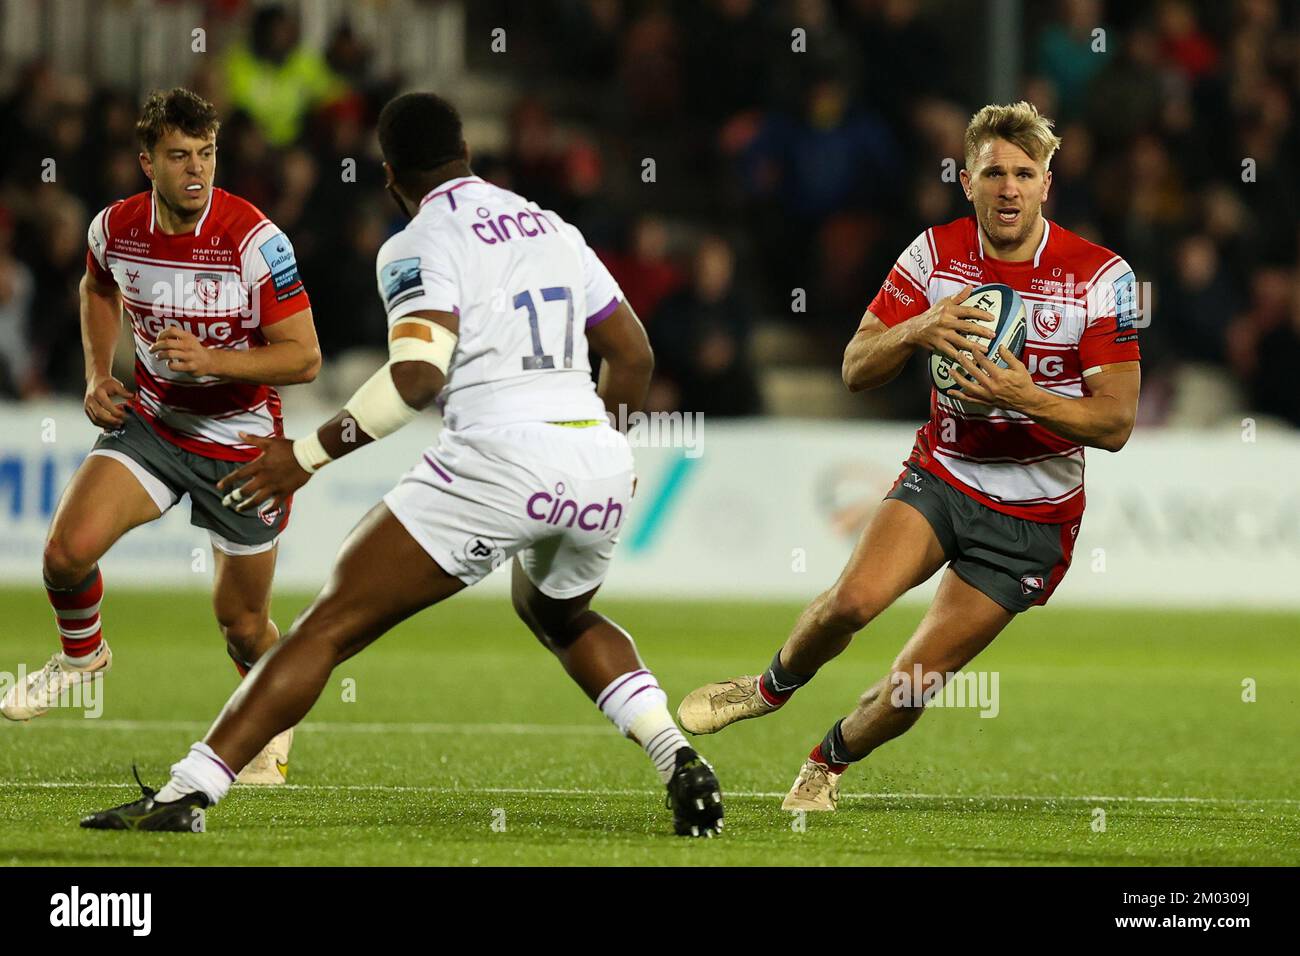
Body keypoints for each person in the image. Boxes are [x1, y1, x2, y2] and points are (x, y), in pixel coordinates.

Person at [81, 92, 724, 837]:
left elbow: (416, 378)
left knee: (324, 629)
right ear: (467, 155)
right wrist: (598, 444)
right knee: (558, 613)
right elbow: (634, 354)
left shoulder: (418, 240)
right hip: (597, 464)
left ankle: (185, 794)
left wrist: (308, 455)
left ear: (390, 176)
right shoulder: (553, 227)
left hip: (497, 461)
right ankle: (676, 754)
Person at [678, 101, 1141, 811]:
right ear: (966, 179)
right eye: (993, 173)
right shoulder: (935, 255)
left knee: (912, 684)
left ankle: (825, 761)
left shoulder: (1099, 278)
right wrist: (918, 328)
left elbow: (1115, 424)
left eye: (1024, 173)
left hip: (1033, 520)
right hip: (944, 476)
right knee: (850, 602)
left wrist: (1024, 395)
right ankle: (767, 688)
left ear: (1048, 183)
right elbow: (856, 366)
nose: (1008, 188)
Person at [1, 89, 320, 785]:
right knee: (64, 553)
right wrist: (95, 374)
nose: (197, 170)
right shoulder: (114, 230)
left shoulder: (256, 240)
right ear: (147, 162)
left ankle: (271, 719)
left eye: (207, 154)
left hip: (240, 446)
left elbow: (303, 357)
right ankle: (83, 656)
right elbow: (96, 290)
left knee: (240, 624)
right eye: (180, 156)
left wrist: (214, 361)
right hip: (152, 424)